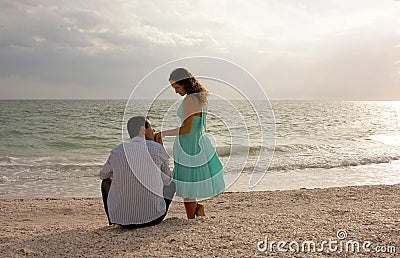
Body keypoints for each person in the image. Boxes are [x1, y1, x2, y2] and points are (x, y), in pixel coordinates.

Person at [155, 68, 225, 219]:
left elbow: (186, 129)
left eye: (177, 87)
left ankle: (191, 218)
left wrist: (162, 133)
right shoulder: (201, 98)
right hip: (197, 142)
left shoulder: (189, 99)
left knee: (188, 188)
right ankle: (197, 209)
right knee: (190, 185)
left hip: (189, 145)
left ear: (185, 83)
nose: (176, 91)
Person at [99, 116, 175, 229]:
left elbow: (103, 175)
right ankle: (151, 208)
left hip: (123, 222)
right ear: (142, 129)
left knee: (106, 182)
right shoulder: (157, 148)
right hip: (153, 218)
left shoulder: (117, 151)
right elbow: (167, 181)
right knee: (172, 184)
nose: (154, 131)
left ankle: (113, 220)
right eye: (151, 127)